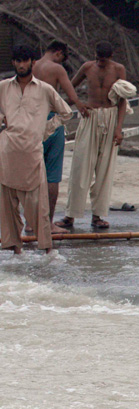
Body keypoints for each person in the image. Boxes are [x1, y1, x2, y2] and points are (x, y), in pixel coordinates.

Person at [0, 45, 72, 254]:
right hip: (7, 151)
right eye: (17, 61)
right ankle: (15, 250)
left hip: (32, 150)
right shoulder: (3, 87)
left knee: (37, 203)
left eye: (25, 61)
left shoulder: (44, 89)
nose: (21, 65)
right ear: (13, 62)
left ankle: (48, 249)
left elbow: (65, 113)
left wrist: (43, 130)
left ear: (32, 62)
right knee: (7, 203)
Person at [60, 42, 134, 231]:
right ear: (95, 56)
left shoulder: (118, 69)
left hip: (110, 116)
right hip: (90, 116)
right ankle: (70, 216)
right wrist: (78, 103)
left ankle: (97, 216)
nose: (101, 63)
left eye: (104, 60)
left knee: (105, 169)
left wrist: (119, 129)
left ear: (110, 57)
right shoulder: (87, 67)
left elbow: (123, 100)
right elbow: (70, 85)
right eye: (99, 59)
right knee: (80, 166)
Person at [32, 41, 87, 232]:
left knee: (32, 172)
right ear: (58, 53)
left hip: (30, 122)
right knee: (52, 175)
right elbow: (72, 96)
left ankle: (31, 222)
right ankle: (47, 223)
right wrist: (78, 106)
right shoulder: (56, 68)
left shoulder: (31, 65)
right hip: (51, 121)